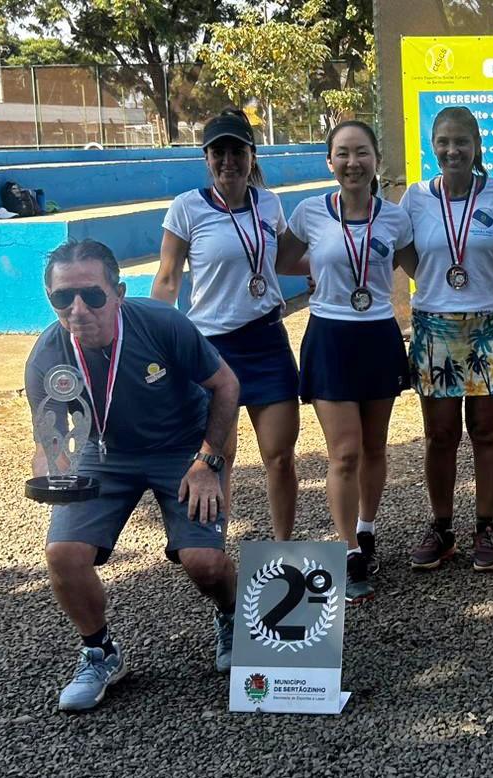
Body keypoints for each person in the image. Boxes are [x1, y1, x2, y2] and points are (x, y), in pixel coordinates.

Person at [27, 239, 241, 712]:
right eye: (63, 297)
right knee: (63, 553)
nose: (78, 310)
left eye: (92, 295)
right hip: (104, 453)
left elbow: (226, 385)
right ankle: (100, 653)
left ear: (118, 294)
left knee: (205, 564)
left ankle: (231, 615)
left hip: (183, 448)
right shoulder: (47, 353)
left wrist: (209, 462)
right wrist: (52, 467)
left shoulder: (162, 324)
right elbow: (50, 437)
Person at [277, 120, 413, 603]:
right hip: (331, 336)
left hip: (378, 335)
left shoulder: (395, 218)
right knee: (346, 452)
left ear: (376, 160)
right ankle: (349, 550)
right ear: (330, 161)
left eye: (362, 153)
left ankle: (366, 529)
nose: (353, 163)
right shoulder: (310, 212)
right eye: (343, 154)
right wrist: (323, 266)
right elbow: (282, 261)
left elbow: (412, 265)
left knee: (375, 447)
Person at [153, 107, 300, 541]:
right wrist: (156, 341)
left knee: (279, 456)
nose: (228, 161)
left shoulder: (269, 204)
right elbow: (167, 279)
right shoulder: (186, 208)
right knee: (219, 458)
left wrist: (340, 270)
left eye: (237, 151)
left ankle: (283, 550)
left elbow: (282, 261)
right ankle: (215, 551)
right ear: (206, 158)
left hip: (267, 340)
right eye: (218, 152)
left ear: (252, 155)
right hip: (212, 350)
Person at [398, 106, 493, 572]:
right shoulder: (415, 199)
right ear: (432, 146)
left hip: (489, 324)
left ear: (477, 146)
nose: (452, 150)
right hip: (435, 326)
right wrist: (437, 285)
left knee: (486, 431)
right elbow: (408, 258)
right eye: (444, 142)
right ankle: (441, 527)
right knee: (439, 435)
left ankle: (485, 526)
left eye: (461, 141)